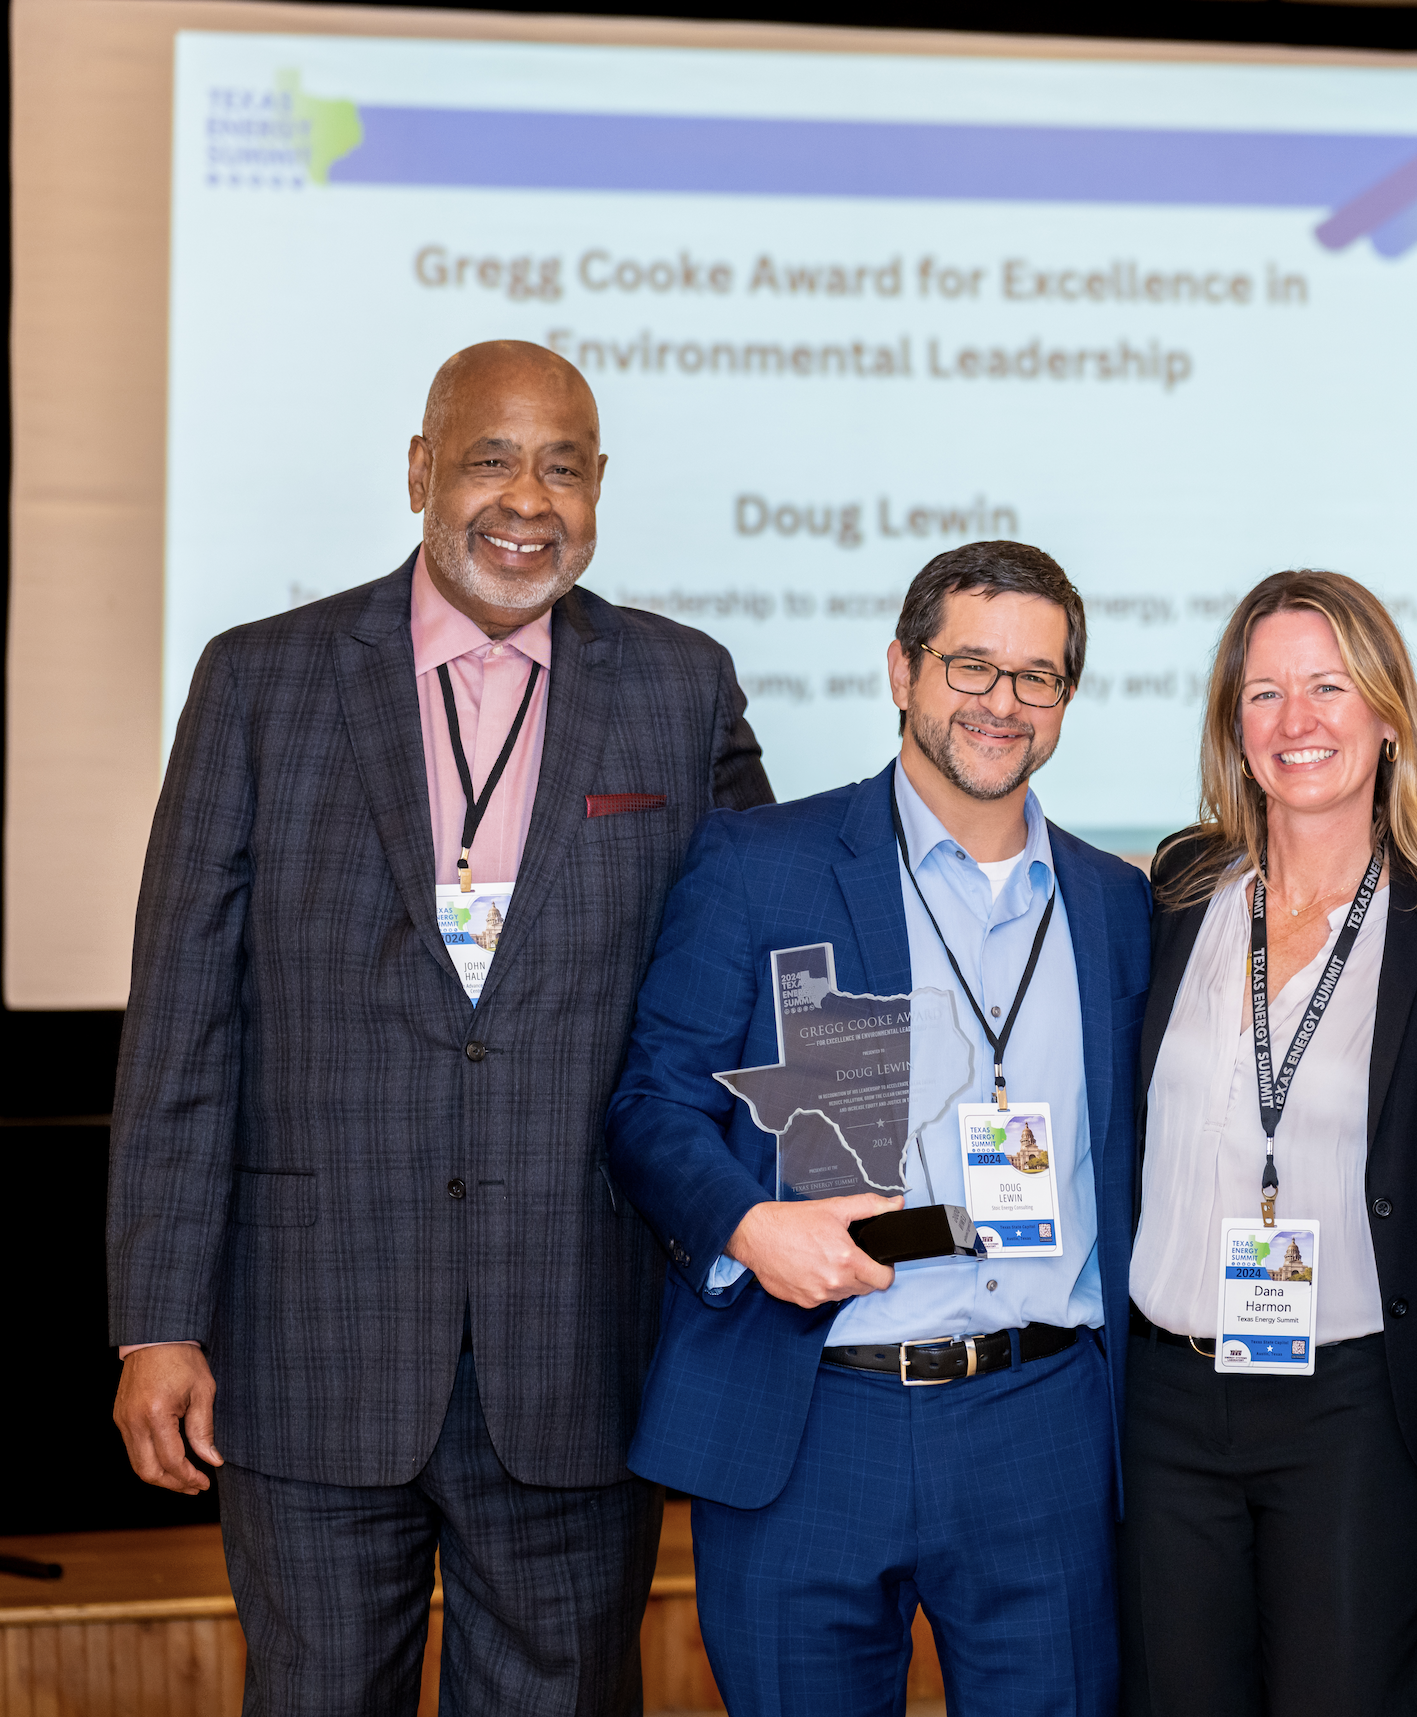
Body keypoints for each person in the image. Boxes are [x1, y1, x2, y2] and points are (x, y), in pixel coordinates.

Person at [107, 340, 772, 1713]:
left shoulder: (680, 685)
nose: (528, 497)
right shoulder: (260, 681)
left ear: (600, 491)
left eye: (565, 465)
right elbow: (181, 1022)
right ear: (420, 470)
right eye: (490, 455)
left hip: (577, 1345)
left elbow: (758, 964)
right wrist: (153, 1321)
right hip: (308, 1341)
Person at [606, 541, 1150, 1717]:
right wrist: (748, 1225)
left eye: (1036, 675)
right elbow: (651, 1106)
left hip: (1040, 1423)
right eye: (969, 665)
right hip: (810, 1420)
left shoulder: (1118, 904)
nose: (1000, 702)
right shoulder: (762, 866)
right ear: (900, 670)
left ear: (1064, 699)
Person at [1118, 569, 1417, 1716]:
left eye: (1328, 687)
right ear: (1232, 725)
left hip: (1349, 1406)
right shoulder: (1181, 890)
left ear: (1385, 713)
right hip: (1163, 1399)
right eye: (1265, 692)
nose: (1297, 722)